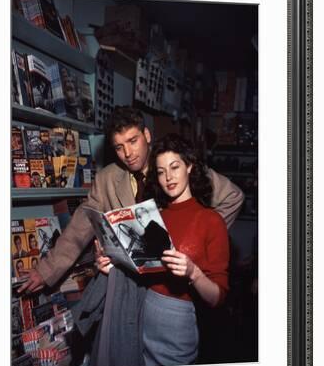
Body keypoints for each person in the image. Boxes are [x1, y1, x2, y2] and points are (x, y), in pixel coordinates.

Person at [18, 106, 243, 296]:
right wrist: (46, 270)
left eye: (133, 141)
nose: (128, 153)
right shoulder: (106, 179)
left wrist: (198, 241)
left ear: (146, 135)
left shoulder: (174, 165)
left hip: (177, 289)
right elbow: (79, 228)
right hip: (128, 288)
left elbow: (233, 197)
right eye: (119, 147)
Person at [143, 133, 230, 366]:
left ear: (189, 166)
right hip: (142, 317)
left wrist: (194, 272)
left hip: (177, 326)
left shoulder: (211, 220)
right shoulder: (153, 216)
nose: (168, 177)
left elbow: (217, 298)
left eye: (174, 167)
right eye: (161, 172)